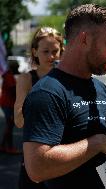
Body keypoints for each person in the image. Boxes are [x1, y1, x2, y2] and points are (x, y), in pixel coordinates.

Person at [22, 4, 106, 189]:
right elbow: (37, 168)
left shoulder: (101, 89)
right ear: (84, 39)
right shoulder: (47, 93)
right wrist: (98, 142)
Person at [14, 26, 65, 189]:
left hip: (63, 154)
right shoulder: (26, 79)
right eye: (45, 51)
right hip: (35, 154)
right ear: (35, 52)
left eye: (55, 51)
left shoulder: (67, 79)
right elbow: (19, 121)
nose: (51, 56)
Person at [0, 60, 20, 154]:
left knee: (9, 126)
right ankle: (9, 147)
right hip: (8, 104)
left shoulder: (9, 75)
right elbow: (13, 89)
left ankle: (3, 146)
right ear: (13, 67)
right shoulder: (8, 76)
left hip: (7, 103)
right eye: (17, 67)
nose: (18, 69)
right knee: (9, 126)